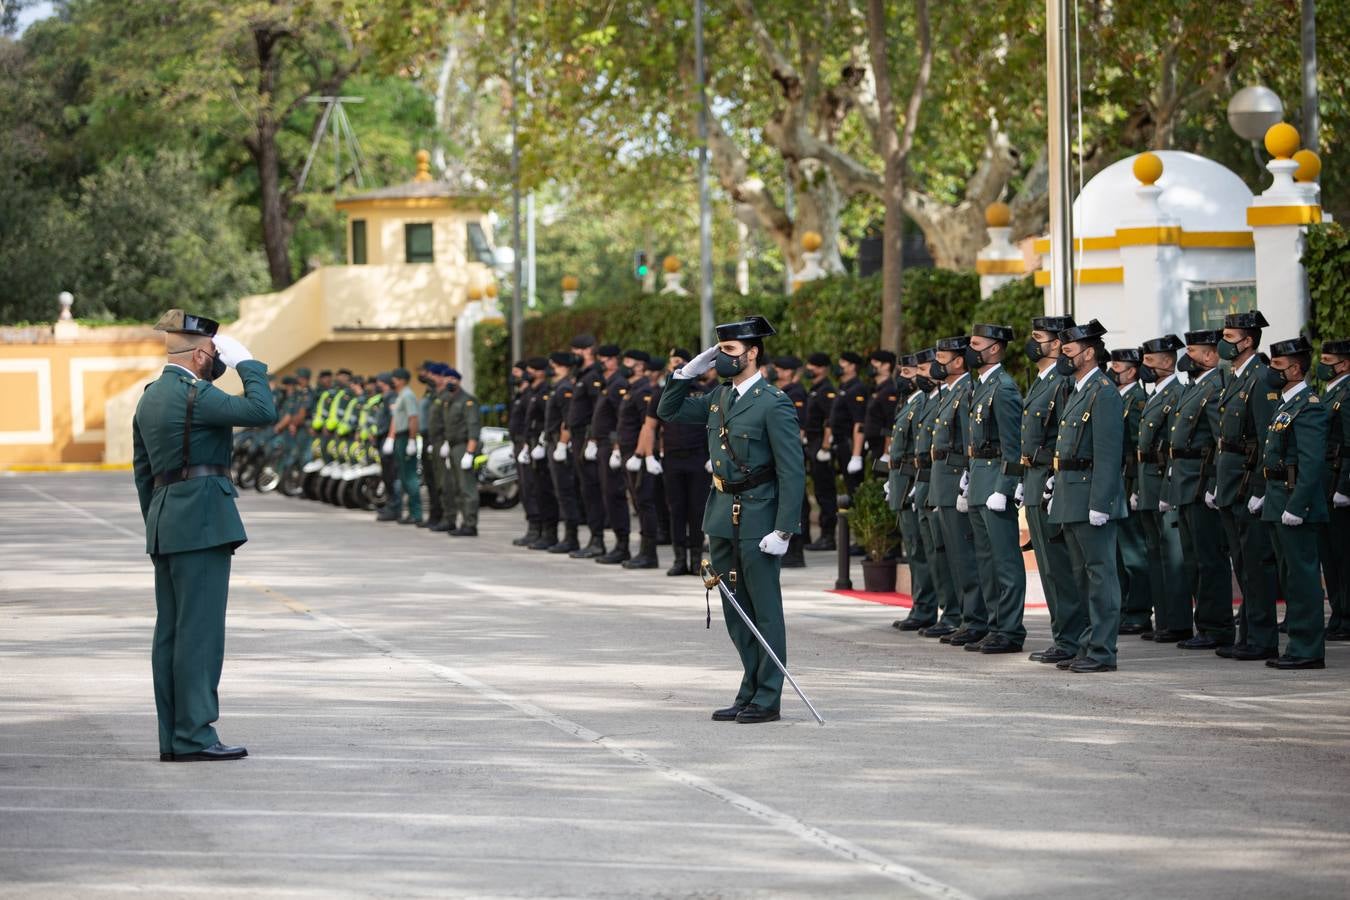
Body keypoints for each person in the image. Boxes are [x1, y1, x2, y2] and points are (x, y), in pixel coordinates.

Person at [132, 309, 277, 761]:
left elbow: (143, 473)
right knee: (200, 635)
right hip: (202, 524)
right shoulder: (195, 395)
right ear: (198, 355)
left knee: (171, 635)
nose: (218, 362)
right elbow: (261, 411)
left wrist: (158, 521)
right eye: (214, 354)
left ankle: (173, 738)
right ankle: (194, 736)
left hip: (167, 523)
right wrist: (248, 364)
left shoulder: (150, 397)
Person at [657, 316, 805, 724]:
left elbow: (792, 470)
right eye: (719, 350)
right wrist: (686, 373)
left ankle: (768, 695)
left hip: (759, 516)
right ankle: (749, 687)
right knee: (735, 609)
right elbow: (668, 410)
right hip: (722, 513)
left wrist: (784, 528)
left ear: (753, 352)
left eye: (730, 351)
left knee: (765, 610)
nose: (723, 358)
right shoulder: (720, 398)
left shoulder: (773, 403)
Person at [1046, 319, 1127, 673]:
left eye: (1068, 350)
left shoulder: (1104, 392)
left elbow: (1108, 454)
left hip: (1090, 498)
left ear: (1089, 353)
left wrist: (1101, 503)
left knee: (1100, 576)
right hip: (1071, 494)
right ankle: (1087, 644)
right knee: (1082, 577)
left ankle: (1103, 651)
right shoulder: (1078, 390)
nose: (1062, 356)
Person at [1257, 335, 1328, 669]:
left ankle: (1308, 649)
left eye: (1278, 365)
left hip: (1296, 504)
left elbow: (1312, 464)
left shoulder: (1309, 406)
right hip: (1277, 499)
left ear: (1296, 369)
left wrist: (1297, 506)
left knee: (1302, 578)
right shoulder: (1285, 404)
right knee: (1290, 577)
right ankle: (1298, 645)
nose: (1272, 371)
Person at [1213, 311, 1281, 660]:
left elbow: (1268, 441)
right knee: (1241, 563)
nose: (1224, 342)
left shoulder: (1261, 378)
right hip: (1230, 483)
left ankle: (1263, 637)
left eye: (1229, 336)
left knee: (1256, 564)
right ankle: (1247, 634)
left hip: (1247, 484)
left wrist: (1260, 490)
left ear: (1248, 341)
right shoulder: (1236, 376)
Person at [963, 324, 1026, 653]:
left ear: (994, 349)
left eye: (976, 344)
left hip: (995, 483)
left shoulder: (1003, 388)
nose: (970, 349)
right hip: (979, 479)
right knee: (986, 561)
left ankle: (1011, 630)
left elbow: (1013, 446)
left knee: (1005, 562)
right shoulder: (982, 386)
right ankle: (994, 624)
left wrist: (1005, 486)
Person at [1166, 330, 1230, 649]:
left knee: (1209, 558)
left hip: (1202, 481)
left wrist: (1217, 483)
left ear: (1209, 356)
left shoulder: (1216, 387)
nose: (1185, 356)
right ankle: (1204, 623)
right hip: (1186, 480)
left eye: (1191, 350)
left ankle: (1217, 626)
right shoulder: (1197, 387)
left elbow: (1221, 440)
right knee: (1193, 558)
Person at [1021, 315, 1079, 665]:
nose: (1033, 343)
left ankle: (1072, 636)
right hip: (1033, 481)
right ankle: (1063, 635)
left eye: (1038, 337)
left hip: (1049, 482)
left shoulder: (1063, 382)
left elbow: (1063, 435)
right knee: (1048, 567)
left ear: (1058, 344)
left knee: (1061, 566)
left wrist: (1055, 478)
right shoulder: (1043, 380)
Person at [927, 335, 987, 646]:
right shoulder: (949, 392)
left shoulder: (966, 392)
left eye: (941, 358)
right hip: (943, 481)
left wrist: (967, 480)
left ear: (958, 361)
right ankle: (966, 617)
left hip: (955, 480)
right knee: (952, 556)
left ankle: (976, 618)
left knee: (965, 556)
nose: (936, 364)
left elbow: (969, 442)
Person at [1133, 335, 1193, 643]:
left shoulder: (1177, 394)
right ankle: (1164, 619)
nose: (1144, 367)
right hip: (1147, 482)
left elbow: (1173, 448)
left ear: (1168, 362)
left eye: (1150, 361)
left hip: (1164, 481)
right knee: (1155, 555)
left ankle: (1180, 621)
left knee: (1173, 556)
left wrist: (1169, 489)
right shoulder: (1155, 394)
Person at [888, 354, 938, 631]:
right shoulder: (910, 403)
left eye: (913, 371)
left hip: (913, 479)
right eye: (906, 372)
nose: (907, 377)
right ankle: (921, 605)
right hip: (903, 480)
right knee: (915, 550)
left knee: (922, 550)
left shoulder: (921, 402)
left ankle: (926, 607)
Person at [654, 348, 712, 576]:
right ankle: (679, 559)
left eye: (680, 362)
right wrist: (650, 454)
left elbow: (716, 426)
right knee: (676, 510)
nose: (675, 365)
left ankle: (697, 558)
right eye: (672, 362)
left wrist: (713, 457)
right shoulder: (664, 393)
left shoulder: (704, 392)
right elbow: (652, 424)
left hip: (698, 458)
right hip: (672, 458)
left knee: (697, 510)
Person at [1109, 348, 1152, 635]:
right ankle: (1124, 608)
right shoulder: (1118, 399)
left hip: (1129, 481)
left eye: (1118, 367)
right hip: (1117, 482)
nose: (1112, 371)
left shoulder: (1136, 401)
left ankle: (1138, 612)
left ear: (1132, 371)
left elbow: (1138, 449)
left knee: (1134, 552)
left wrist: (1136, 488)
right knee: (1118, 554)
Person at [1317, 340, 1350, 640]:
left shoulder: (1347, 393)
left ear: (1344, 364)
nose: (1322, 363)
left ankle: (1347, 615)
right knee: (1329, 555)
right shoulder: (1329, 393)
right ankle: (1338, 613)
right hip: (1325, 483)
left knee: (1343, 555)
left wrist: (1345, 486)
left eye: (1328, 359)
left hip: (1339, 482)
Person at [618, 350, 661, 569]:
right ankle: (644, 551)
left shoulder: (645, 390)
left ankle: (649, 553)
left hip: (640, 455)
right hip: (628, 452)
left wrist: (642, 454)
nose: (623, 365)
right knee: (638, 501)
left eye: (628, 361)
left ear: (640, 366)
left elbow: (648, 426)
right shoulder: (632, 389)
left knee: (644, 502)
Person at [591, 344, 633, 564]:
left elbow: (621, 418)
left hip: (611, 445)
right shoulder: (608, 382)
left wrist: (616, 447)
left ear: (616, 360)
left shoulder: (618, 384)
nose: (603, 362)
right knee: (607, 494)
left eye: (607, 359)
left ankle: (622, 544)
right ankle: (618, 542)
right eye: (601, 358)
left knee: (614, 494)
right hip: (602, 445)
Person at [567, 334, 607, 558]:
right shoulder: (581, 375)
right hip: (578, 438)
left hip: (587, 439)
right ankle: (594, 538)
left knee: (592, 491)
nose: (575, 355)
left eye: (578, 350)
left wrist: (591, 439)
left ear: (590, 350)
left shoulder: (593, 376)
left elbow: (597, 411)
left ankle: (598, 540)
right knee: (586, 490)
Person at [772, 355, 810, 567]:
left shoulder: (796, 393)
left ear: (790, 372)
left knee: (795, 501)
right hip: (780, 452)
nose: (777, 370)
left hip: (790, 452)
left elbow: (798, 427)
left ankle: (796, 552)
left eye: (781, 368)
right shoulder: (779, 392)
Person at [521, 357, 561, 550]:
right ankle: (537, 529)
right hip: (531, 443)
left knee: (545, 490)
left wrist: (542, 441)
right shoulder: (531, 391)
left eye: (530, 370)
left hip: (542, 444)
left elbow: (549, 419)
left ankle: (549, 532)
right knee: (533, 489)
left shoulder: (545, 391)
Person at [546, 352, 583, 553]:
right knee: (560, 493)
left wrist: (562, 444)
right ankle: (567, 536)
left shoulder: (565, 387)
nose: (551, 368)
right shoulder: (558, 387)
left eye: (554, 365)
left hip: (561, 445)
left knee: (566, 493)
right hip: (553, 442)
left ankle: (572, 537)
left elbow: (567, 419)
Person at [438, 367, 482, 536]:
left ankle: (470, 524)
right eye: (446, 378)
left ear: (459, 380)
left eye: (452, 379)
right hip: (453, 446)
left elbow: (473, 428)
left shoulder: (468, 401)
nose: (449, 381)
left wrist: (469, 453)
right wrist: (447, 444)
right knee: (456, 487)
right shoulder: (449, 400)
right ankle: (463, 522)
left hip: (464, 447)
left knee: (467, 488)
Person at [803, 353, 838, 551]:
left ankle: (828, 536)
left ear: (824, 368)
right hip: (813, 443)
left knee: (825, 492)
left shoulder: (826, 390)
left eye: (814, 366)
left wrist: (825, 447)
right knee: (818, 490)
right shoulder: (815, 389)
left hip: (821, 446)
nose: (810, 369)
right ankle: (825, 535)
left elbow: (829, 421)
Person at [380, 367, 422, 524]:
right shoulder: (400, 396)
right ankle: (410, 513)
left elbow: (413, 418)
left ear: (402, 380)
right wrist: (391, 438)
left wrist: (412, 439)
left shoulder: (408, 395)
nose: (393, 381)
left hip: (406, 437)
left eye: (395, 378)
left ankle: (416, 514)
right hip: (399, 437)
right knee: (403, 477)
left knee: (410, 477)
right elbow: (395, 419)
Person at [832, 351, 869, 496]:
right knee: (846, 486)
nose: (839, 366)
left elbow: (859, 423)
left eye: (843, 363)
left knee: (854, 487)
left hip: (850, 444)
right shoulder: (844, 387)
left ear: (852, 367)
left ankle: (855, 516)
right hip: (841, 443)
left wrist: (856, 455)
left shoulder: (857, 388)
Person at [864, 350, 900, 473]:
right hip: (873, 445)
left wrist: (886, 452)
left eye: (875, 362)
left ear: (886, 366)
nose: (871, 365)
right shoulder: (876, 389)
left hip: (882, 446)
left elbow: (890, 423)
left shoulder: (889, 390)